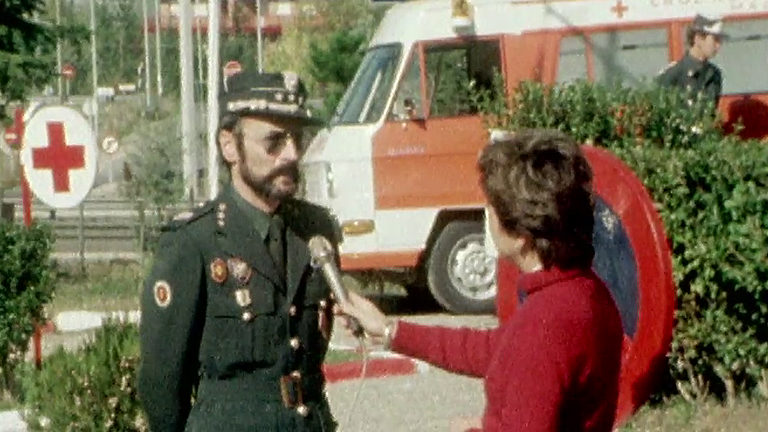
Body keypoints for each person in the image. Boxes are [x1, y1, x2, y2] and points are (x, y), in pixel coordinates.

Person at [337, 129, 624, 432]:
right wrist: (390, 330)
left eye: (493, 208)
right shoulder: (586, 291)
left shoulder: (545, 323)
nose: (487, 214)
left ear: (521, 235)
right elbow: (497, 350)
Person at [138, 70, 341, 432]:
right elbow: (163, 385)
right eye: (274, 142)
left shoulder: (315, 231)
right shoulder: (194, 242)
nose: (292, 154)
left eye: (297, 138)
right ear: (230, 146)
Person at [656, 14, 726, 110]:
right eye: (715, 40)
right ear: (698, 38)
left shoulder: (714, 74)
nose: (718, 45)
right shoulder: (673, 74)